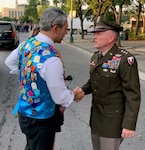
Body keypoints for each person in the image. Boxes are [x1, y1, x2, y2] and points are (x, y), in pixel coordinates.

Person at [5, 7, 84, 150]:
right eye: (65, 29)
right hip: (41, 118)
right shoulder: (51, 59)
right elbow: (60, 97)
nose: (66, 32)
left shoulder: (26, 44)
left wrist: (29, 77)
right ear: (55, 28)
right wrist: (75, 94)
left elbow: (9, 62)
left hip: (25, 113)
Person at [75, 18, 141, 150]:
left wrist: (129, 124)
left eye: (98, 33)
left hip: (112, 121)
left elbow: (133, 95)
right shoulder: (96, 56)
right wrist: (82, 90)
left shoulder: (124, 60)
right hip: (96, 117)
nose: (94, 37)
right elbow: (94, 81)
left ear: (110, 38)